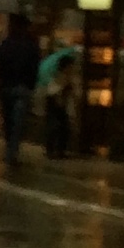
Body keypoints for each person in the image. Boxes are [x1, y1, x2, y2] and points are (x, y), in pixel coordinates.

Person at [0, 16, 44, 171]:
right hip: (23, 87)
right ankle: (12, 153)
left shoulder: (5, 44)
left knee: (9, 121)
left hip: (6, 86)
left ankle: (9, 149)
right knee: (18, 122)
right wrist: (31, 85)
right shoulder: (31, 45)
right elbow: (35, 67)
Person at [37, 30, 82, 159]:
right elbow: (58, 93)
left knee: (58, 127)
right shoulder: (60, 79)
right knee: (58, 126)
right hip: (57, 104)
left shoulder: (57, 76)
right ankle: (55, 149)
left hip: (57, 103)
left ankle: (55, 149)